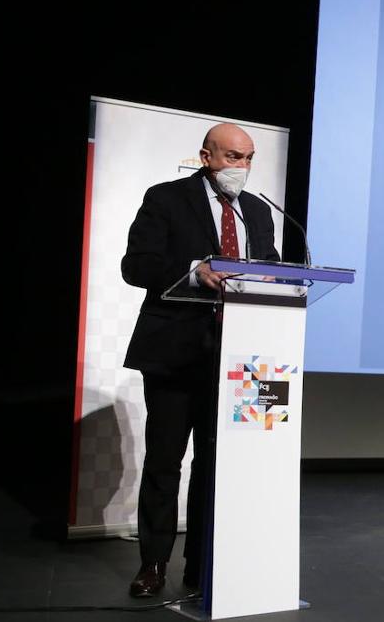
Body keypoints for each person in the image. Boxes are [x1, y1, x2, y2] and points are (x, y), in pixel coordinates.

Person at [121, 123, 280, 597]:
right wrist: (195, 272)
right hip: (174, 352)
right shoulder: (166, 198)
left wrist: (271, 281)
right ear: (206, 156)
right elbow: (137, 265)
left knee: (216, 465)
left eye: (249, 158)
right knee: (166, 463)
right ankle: (152, 564)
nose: (242, 168)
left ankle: (200, 564)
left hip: (235, 360)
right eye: (233, 157)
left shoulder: (257, 211)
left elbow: (266, 265)